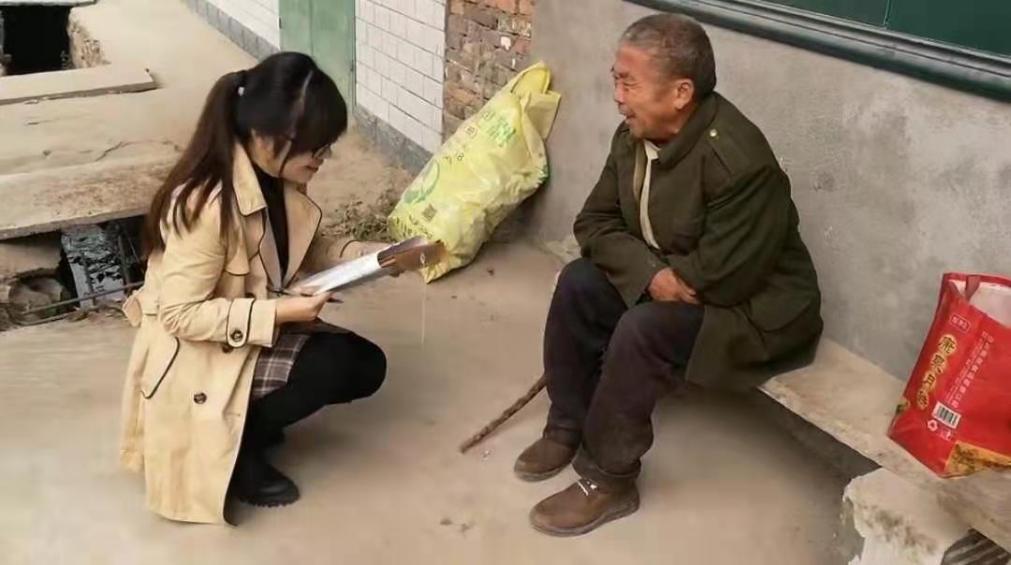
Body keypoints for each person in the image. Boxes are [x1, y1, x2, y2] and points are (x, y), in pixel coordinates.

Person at [514, 14, 824, 536]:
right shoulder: (633, 136)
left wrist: (649, 276)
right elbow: (593, 222)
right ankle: (567, 422)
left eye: (628, 83)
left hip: (753, 310)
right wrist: (649, 272)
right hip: (678, 281)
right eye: (615, 80)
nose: (617, 97)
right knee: (579, 282)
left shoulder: (739, 162)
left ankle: (608, 479)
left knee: (644, 330)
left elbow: (717, 281)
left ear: (681, 93)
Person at [119, 53, 387, 524]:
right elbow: (181, 316)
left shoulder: (276, 177)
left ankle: (248, 422)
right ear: (265, 137)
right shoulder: (206, 204)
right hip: (194, 352)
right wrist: (283, 313)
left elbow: (309, 244)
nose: (322, 159)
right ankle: (236, 445)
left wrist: (378, 257)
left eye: (326, 146)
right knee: (330, 365)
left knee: (365, 366)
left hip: (240, 324)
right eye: (315, 148)